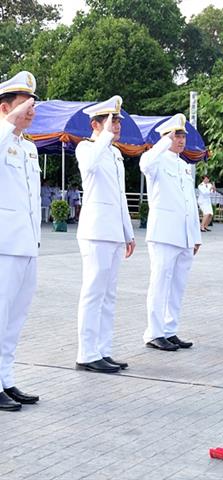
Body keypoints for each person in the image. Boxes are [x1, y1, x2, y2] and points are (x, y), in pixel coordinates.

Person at [75, 96, 136, 374]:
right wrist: (105, 136)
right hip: (95, 230)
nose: (117, 124)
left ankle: (103, 350)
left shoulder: (113, 153)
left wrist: (128, 232)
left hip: (113, 231)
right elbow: (88, 168)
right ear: (95, 124)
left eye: (119, 120)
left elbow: (120, 197)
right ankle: (86, 353)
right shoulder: (87, 148)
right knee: (93, 292)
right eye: (111, 120)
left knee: (109, 294)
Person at [140, 113, 201, 351]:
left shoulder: (184, 166)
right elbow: (145, 163)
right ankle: (154, 333)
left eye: (183, 135)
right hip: (164, 234)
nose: (181, 139)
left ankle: (169, 329)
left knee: (177, 285)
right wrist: (164, 141)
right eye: (177, 135)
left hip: (184, 235)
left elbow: (189, 202)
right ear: (166, 136)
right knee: (160, 283)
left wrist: (195, 235)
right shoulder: (156, 160)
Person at [0, 71, 41, 411]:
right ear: (5, 108)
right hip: (4, 246)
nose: (31, 110)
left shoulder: (28, 148)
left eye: (33, 104)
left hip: (27, 245)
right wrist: (7, 123)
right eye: (24, 104)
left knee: (15, 319)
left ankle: (6, 379)